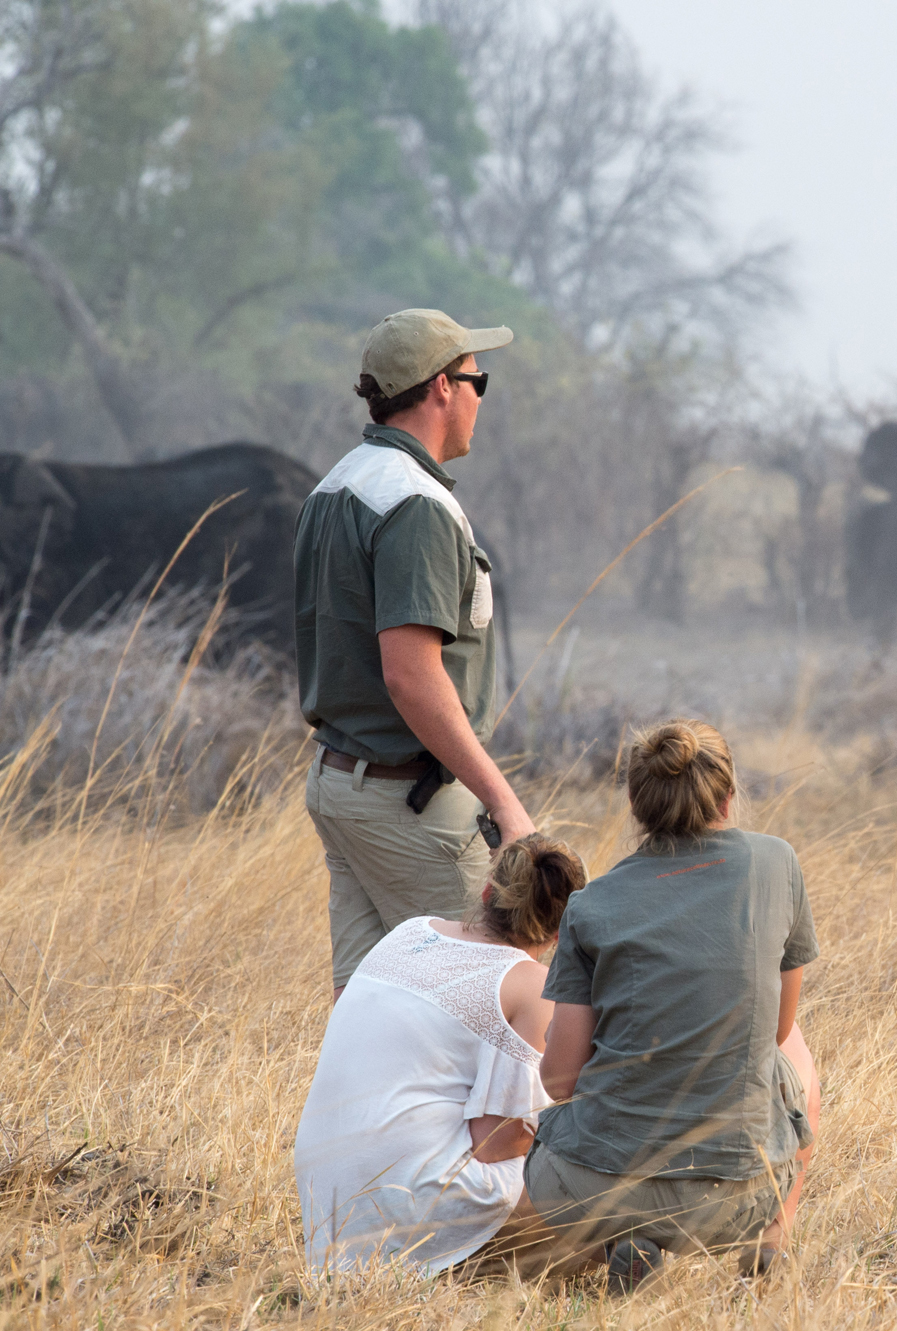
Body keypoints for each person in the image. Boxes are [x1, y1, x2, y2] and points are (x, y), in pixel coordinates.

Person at [504, 720, 821, 1290]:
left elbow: (559, 1079)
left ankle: (626, 1241)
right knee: (793, 1054)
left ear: (635, 803)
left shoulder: (590, 905)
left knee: (552, 1147)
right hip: (738, 1198)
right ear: (727, 797)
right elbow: (777, 1028)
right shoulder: (777, 864)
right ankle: (771, 1239)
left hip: (595, 1191)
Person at [295, 308, 537, 997]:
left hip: (340, 782)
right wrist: (504, 802)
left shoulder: (337, 483)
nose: (479, 399)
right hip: (409, 801)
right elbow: (409, 674)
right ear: (441, 387)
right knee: (489, 1007)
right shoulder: (415, 504)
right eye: (477, 380)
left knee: (372, 1017)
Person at [293, 836, 587, 1276]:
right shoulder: (532, 984)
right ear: (561, 930)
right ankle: (452, 1265)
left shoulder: (411, 931)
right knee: (601, 1220)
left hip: (328, 1203)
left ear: (487, 893)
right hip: (408, 1205)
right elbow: (496, 1145)